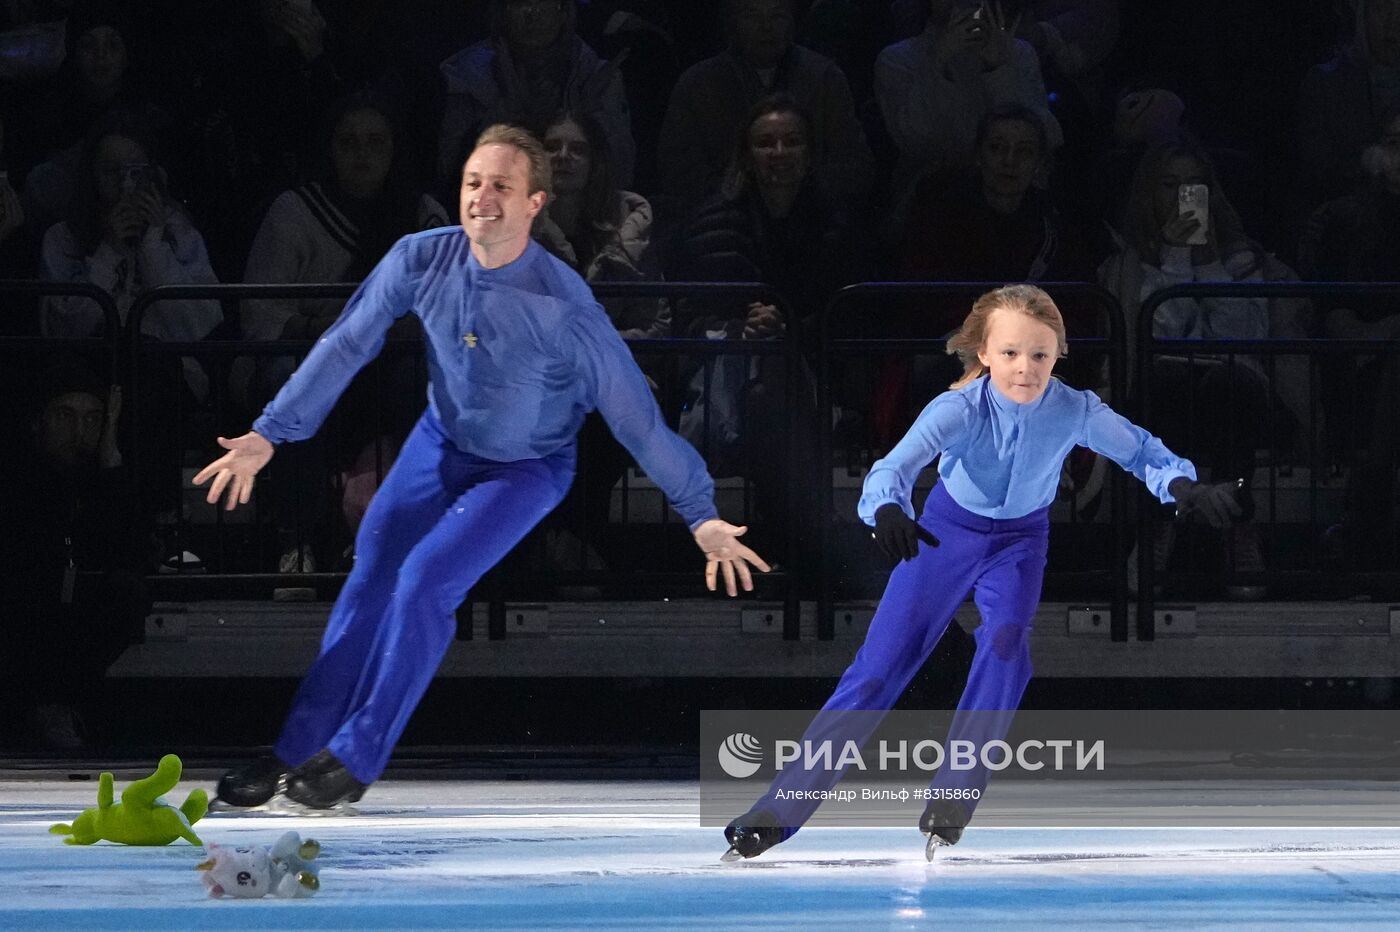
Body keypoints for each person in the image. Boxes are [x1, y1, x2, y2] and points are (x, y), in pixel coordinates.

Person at [197, 124, 770, 811]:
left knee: (422, 582)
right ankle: (292, 749)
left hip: (525, 469)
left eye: (501, 185)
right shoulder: (421, 258)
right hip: (439, 444)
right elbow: (347, 342)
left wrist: (700, 511)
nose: (482, 198)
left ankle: (355, 754)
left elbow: (635, 419)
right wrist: (270, 433)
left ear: (535, 203)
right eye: (473, 183)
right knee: (370, 576)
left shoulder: (564, 307)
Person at [721, 284, 1241, 861]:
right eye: (1012, 353)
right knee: (878, 668)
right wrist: (889, 508)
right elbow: (895, 465)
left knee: (1006, 643)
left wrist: (1185, 487)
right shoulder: (958, 408)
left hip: (1020, 542)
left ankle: (953, 796)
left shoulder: (1074, 409)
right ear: (985, 354)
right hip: (945, 533)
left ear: (1059, 354)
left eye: (1040, 355)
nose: (1026, 368)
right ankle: (777, 811)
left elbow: (1141, 452)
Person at [240, 94, 449, 575]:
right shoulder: (294, 212)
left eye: (376, 142)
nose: (363, 154)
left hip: (393, 368)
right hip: (312, 364)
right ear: (329, 149)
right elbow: (261, 314)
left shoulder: (422, 215)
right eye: (349, 142)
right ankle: (297, 542)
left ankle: (414, 540)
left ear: (395, 150)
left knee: (424, 381)